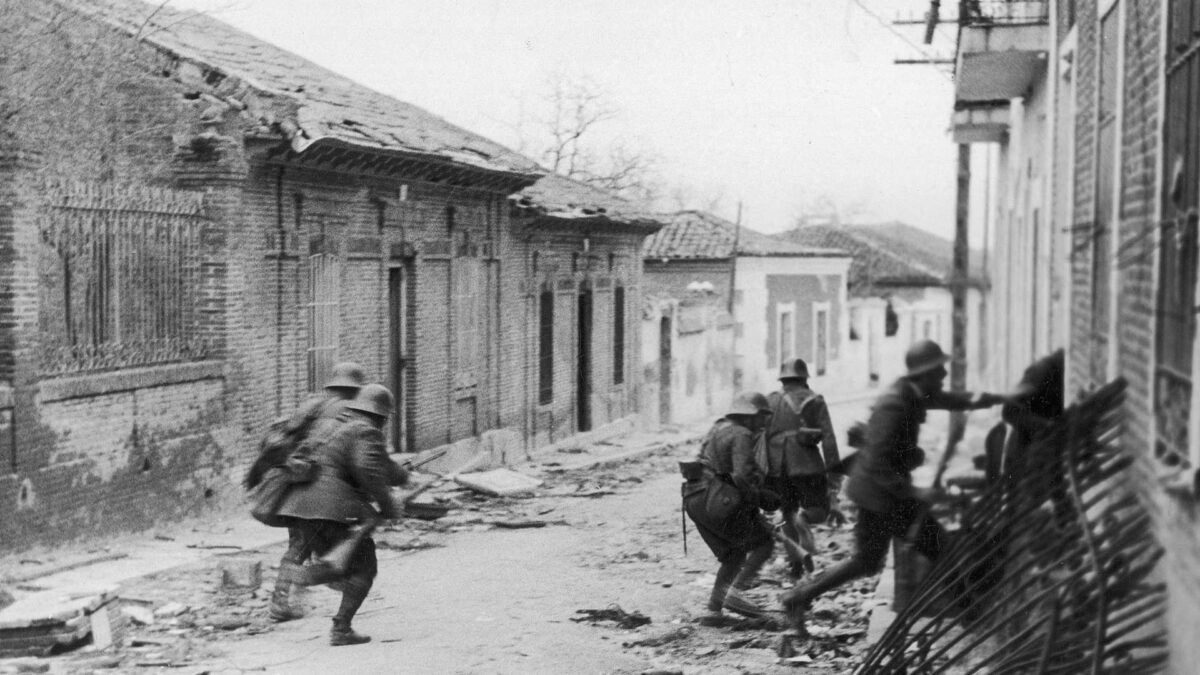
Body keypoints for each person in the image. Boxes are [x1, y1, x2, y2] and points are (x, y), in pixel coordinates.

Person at [779, 340, 1005, 625]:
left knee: (878, 559)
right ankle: (971, 614)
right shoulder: (895, 404)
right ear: (925, 373)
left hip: (884, 492)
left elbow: (946, 399)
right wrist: (917, 491)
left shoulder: (913, 391)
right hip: (880, 493)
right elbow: (876, 462)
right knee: (930, 549)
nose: (944, 376)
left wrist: (991, 399)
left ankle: (798, 598)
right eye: (940, 371)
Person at [273, 383, 408, 646]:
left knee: (339, 561)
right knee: (365, 566)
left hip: (300, 506)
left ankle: (302, 575)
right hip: (331, 508)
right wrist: (390, 506)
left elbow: (379, 465)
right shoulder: (366, 431)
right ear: (380, 415)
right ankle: (341, 627)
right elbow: (366, 468)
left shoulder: (334, 425)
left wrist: (403, 475)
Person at [246, 362, 369, 624]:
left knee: (299, 543)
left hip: (296, 484)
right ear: (356, 388)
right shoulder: (351, 414)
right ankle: (288, 601)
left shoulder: (312, 405)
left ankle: (287, 599)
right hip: (320, 492)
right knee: (312, 544)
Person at [681, 392, 780, 618]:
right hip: (714, 499)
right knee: (764, 543)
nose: (764, 422)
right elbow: (743, 476)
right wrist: (762, 498)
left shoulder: (719, 427)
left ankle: (714, 612)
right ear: (751, 416)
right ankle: (734, 592)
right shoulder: (742, 433)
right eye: (762, 416)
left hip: (694, 499)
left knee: (733, 554)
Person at [762, 358, 841, 578]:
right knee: (819, 508)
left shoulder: (770, 401)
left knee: (787, 513)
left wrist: (764, 474)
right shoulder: (814, 399)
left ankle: (795, 565)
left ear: (782, 379)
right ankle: (804, 519)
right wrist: (834, 479)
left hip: (778, 469)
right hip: (807, 465)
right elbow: (829, 440)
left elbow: (760, 437)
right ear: (804, 378)